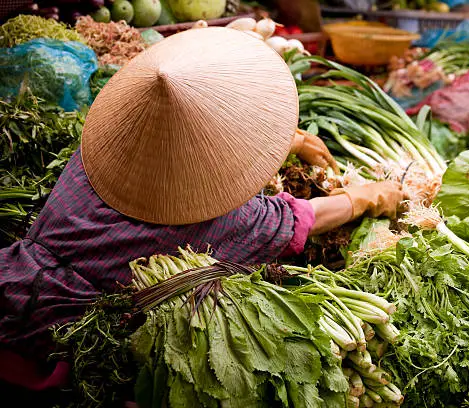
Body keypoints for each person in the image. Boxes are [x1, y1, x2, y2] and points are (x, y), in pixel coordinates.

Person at [0, 27, 407, 400]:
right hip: (61, 348)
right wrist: (366, 197)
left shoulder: (98, 154)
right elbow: (297, 220)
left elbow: (177, 147)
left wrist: (291, 141)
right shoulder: (225, 222)